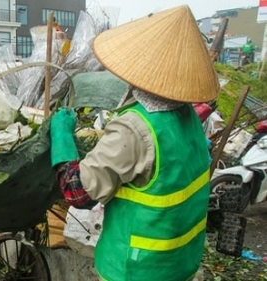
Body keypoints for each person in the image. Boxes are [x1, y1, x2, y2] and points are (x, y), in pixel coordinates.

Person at [49, 5, 219, 281]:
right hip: (182, 264)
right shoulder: (188, 115)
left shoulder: (135, 128)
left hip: (136, 270)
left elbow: (77, 193)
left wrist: (61, 136)